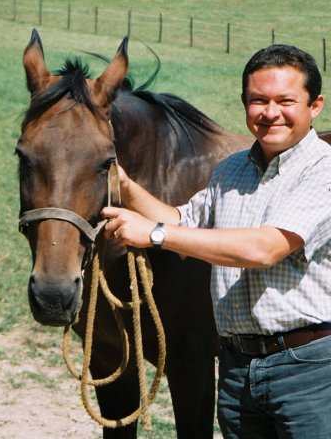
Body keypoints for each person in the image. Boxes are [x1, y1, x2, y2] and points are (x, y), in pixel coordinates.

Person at [102, 44, 331, 439]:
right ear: (244, 103)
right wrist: (125, 184)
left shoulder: (324, 171)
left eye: (285, 100)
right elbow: (182, 219)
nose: (270, 112)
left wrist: (155, 235)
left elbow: (265, 249)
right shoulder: (231, 170)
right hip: (238, 371)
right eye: (258, 100)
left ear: (315, 106)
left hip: (306, 371)